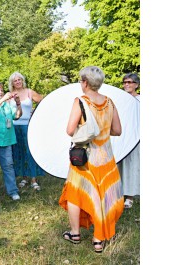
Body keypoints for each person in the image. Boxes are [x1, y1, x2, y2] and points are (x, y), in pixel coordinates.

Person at [58, 66, 124, 253]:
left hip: (85, 158)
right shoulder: (110, 102)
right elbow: (117, 131)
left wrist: (87, 130)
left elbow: (70, 131)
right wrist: (101, 130)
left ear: (85, 82)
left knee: (76, 192)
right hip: (106, 158)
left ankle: (75, 233)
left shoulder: (80, 101)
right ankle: (98, 239)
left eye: (81, 80)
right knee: (104, 196)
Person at [8, 72, 45, 191]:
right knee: (18, 152)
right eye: (15, 80)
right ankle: (24, 177)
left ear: (22, 80)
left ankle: (33, 179)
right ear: (12, 83)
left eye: (19, 79)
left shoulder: (30, 92)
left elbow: (42, 102)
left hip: (28, 126)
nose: (18, 82)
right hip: (14, 127)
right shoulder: (10, 95)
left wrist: (35, 114)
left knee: (30, 151)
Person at [0, 82, 23, 201]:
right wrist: (2, 100)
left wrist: (18, 103)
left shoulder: (8, 104)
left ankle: (12, 191)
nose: (0, 92)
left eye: (1, 90)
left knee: (8, 166)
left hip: (7, 140)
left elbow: (17, 116)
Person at [118, 73, 140, 208]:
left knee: (133, 166)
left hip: (137, 137)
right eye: (125, 82)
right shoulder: (120, 100)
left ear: (136, 84)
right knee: (120, 166)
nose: (126, 84)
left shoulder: (141, 99)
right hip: (122, 137)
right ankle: (120, 193)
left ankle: (130, 196)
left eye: (130, 82)